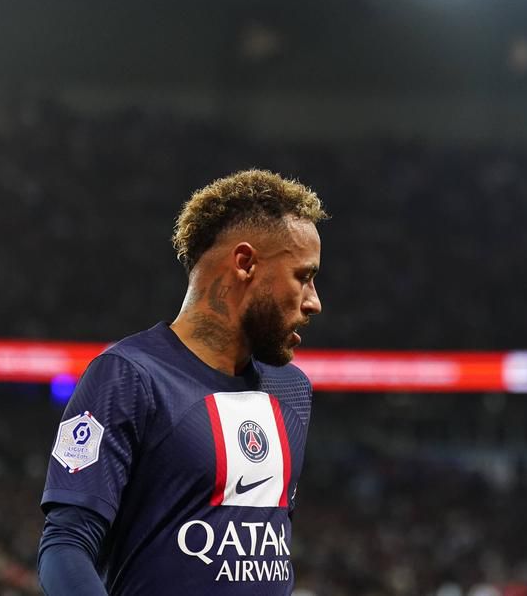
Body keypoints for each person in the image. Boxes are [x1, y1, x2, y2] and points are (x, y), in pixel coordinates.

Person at [37, 169, 327, 595]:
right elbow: (66, 545)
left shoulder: (292, 390)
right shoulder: (128, 376)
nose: (314, 302)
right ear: (245, 263)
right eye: (303, 276)